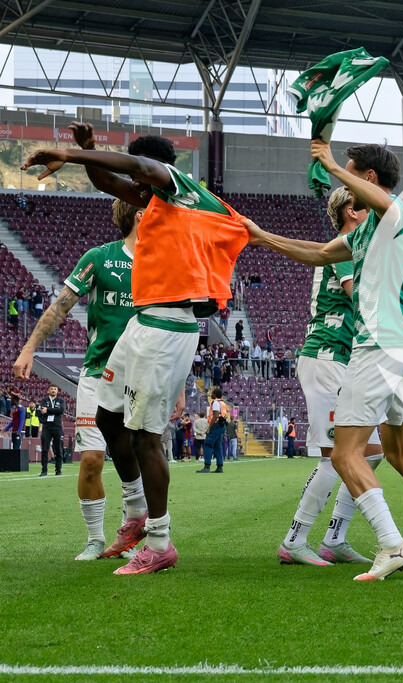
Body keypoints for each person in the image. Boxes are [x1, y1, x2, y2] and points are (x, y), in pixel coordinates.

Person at [23, 124, 248, 574]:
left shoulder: (179, 188)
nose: (136, 189)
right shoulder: (155, 199)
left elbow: (140, 169)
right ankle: (137, 511)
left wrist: (70, 153)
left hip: (167, 323)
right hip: (144, 322)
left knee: (147, 438)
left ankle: (160, 542)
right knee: (108, 417)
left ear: (156, 169)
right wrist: (86, 153)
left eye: (142, 178)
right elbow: (112, 182)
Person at [243, 139, 403, 580]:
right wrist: (261, 236)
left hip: (379, 345)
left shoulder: (395, 213)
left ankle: (391, 543)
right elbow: (320, 253)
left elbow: (381, 201)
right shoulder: (364, 232)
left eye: (348, 170)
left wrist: (327, 163)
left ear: (368, 180)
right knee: (400, 453)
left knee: (345, 455)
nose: (337, 175)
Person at [14, 199, 146, 558]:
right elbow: (60, 306)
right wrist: (29, 348)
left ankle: (131, 539)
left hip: (142, 374)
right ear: (138, 215)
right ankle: (95, 538)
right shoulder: (99, 258)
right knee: (91, 459)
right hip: (98, 374)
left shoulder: (160, 262)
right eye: (149, 209)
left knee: (136, 458)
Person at [277, 186, 385, 567]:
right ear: (352, 213)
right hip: (326, 357)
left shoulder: (354, 246)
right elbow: (363, 296)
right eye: (366, 205)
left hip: (343, 357)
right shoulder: (347, 245)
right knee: (333, 457)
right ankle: (294, 539)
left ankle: (335, 537)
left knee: (372, 451)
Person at [38, 384, 66, 476]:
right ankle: (44, 471)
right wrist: (53, 410)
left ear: (57, 391)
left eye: (55, 389)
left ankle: (58, 470)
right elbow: (42, 411)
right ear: (48, 391)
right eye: (52, 389)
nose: (53, 390)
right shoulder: (44, 400)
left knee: (59, 450)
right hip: (47, 427)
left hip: (57, 427)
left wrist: (48, 409)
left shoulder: (61, 400)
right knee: (45, 450)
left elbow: (61, 410)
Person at [197, 388, 227, 473]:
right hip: (221, 425)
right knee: (218, 446)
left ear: (215, 394)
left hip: (216, 425)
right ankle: (220, 467)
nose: (211, 394)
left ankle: (207, 466)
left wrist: (209, 427)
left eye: (213, 393)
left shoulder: (216, 403)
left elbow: (215, 415)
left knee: (207, 444)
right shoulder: (222, 402)